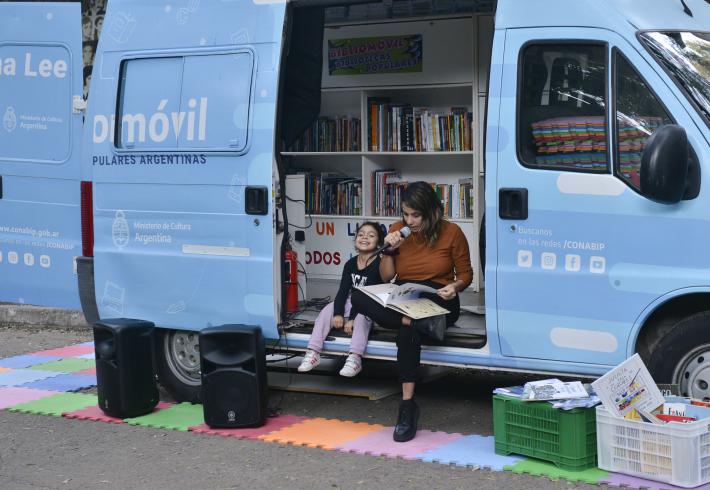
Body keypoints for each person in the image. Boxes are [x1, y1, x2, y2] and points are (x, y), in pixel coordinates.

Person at [351, 181, 472, 442]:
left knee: (406, 331)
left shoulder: (452, 232)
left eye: (416, 215)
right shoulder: (397, 230)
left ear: (432, 212)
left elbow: (466, 274)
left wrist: (454, 287)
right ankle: (415, 322)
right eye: (406, 214)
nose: (410, 221)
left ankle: (406, 406)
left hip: (439, 296)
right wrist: (389, 250)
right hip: (406, 295)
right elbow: (387, 277)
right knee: (358, 296)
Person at [298, 221, 385, 377]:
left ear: (379, 242)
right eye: (361, 234)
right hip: (353, 301)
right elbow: (343, 291)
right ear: (355, 239)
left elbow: (366, 296)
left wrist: (351, 319)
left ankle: (355, 358)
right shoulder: (350, 263)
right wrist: (338, 313)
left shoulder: (379, 264)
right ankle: (313, 352)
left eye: (371, 235)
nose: (365, 237)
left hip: (371, 303)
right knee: (327, 311)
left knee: (360, 318)